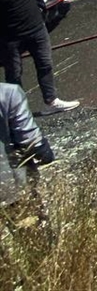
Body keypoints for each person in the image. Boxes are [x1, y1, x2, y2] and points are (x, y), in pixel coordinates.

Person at [0, 0, 78, 114]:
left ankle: (51, 100)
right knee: (13, 73)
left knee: (45, 64)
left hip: (37, 30)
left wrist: (42, 14)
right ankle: (18, 110)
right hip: (11, 39)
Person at [0, 82, 55, 229]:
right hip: (10, 188)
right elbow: (31, 140)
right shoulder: (8, 93)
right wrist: (46, 155)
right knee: (36, 240)